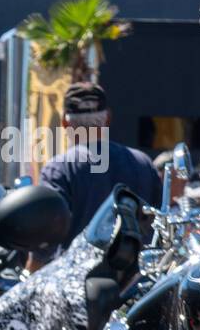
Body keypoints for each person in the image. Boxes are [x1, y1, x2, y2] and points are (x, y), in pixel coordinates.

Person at [30, 82, 161, 268]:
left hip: (76, 282)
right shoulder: (143, 163)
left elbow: (45, 236)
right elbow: (159, 224)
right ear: (108, 118)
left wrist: (30, 272)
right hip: (137, 284)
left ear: (65, 123)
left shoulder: (58, 169)